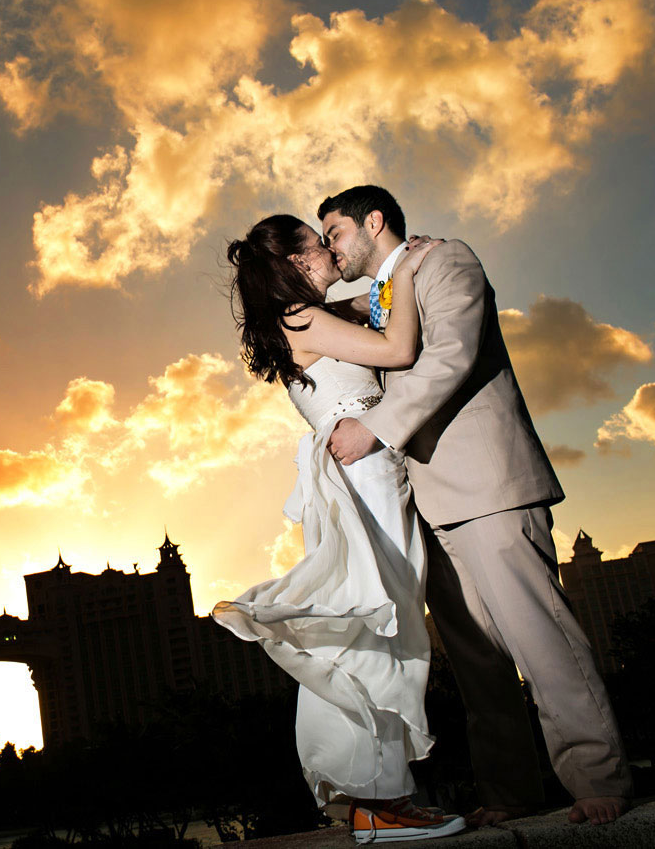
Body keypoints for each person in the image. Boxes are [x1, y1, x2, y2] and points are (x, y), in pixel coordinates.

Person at [320, 185, 632, 827]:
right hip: (427, 506)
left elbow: (451, 354)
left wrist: (374, 430)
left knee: (542, 641)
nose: (330, 246)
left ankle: (598, 779)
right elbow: (327, 311)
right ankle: (513, 791)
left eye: (336, 233)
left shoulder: (446, 261)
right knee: (477, 664)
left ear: (373, 220)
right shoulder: (379, 294)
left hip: (490, 488)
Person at [213, 213, 465, 844]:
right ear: (297, 262)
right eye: (317, 244)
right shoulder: (304, 319)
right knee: (379, 624)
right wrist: (405, 267)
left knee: (372, 622)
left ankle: (375, 797)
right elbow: (401, 350)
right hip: (364, 475)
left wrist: (387, 277)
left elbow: (368, 303)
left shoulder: (300, 316)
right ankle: (378, 803)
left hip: (364, 470)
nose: (329, 250)